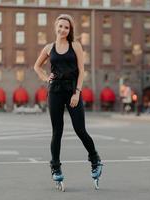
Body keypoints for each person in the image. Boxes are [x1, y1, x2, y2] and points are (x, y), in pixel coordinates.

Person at [34, 14, 102, 186]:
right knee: (57, 132)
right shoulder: (49, 48)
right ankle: (55, 167)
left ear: (70, 30)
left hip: (72, 91)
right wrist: (45, 78)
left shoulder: (75, 46)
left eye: (66, 27)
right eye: (61, 26)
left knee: (80, 129)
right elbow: (36, 66)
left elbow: (81, 70)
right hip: (55, 91)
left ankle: (95, 159)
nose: (63, 29)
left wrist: (77, 92)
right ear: (55, 27)